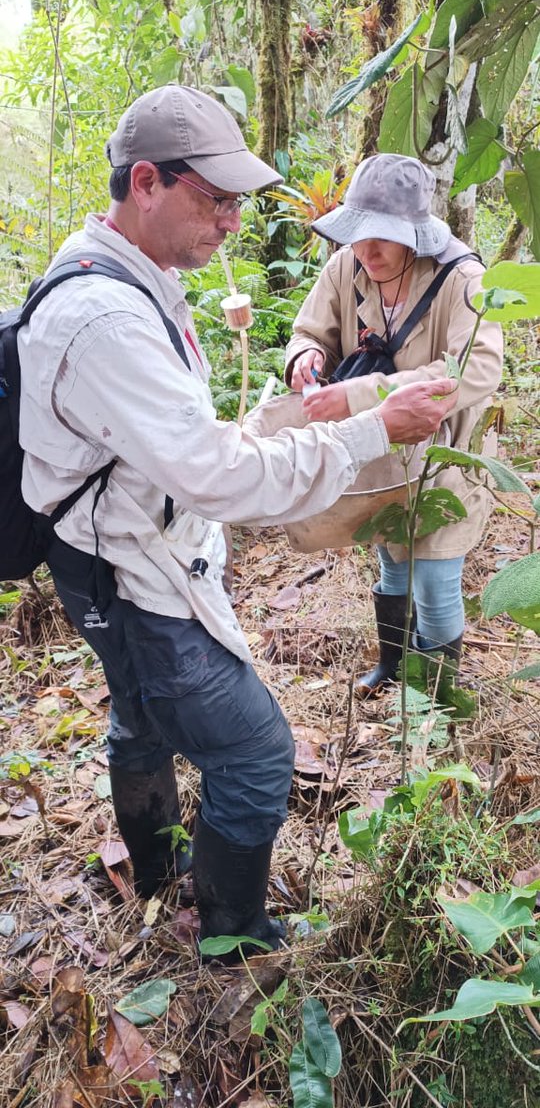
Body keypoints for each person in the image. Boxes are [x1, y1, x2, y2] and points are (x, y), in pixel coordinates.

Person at [18, 91, 456, 958]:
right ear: (146, 183)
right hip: (130, 574)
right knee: (256, 754)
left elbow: (174, 443)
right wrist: (370, 426)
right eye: (214, 199)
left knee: (140, 715)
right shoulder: (105, 317)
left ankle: (155, 868)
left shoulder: (128, 277)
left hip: (115, 555)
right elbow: (219, 477)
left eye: (237, 202)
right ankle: (232, 937)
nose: (231, 220)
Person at [285, 153, 503, 698]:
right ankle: (394, 667)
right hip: (380, 458)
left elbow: (476, 369)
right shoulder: (347, 267)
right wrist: (305, 358)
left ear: (415, 233)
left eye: (381, 238)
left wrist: (358, 393)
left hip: (444, 460)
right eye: (358, 234)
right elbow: (309, 330)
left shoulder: (463, 279)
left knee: (434, 580)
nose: (367, 250)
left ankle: (437, 699)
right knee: (390, 558)